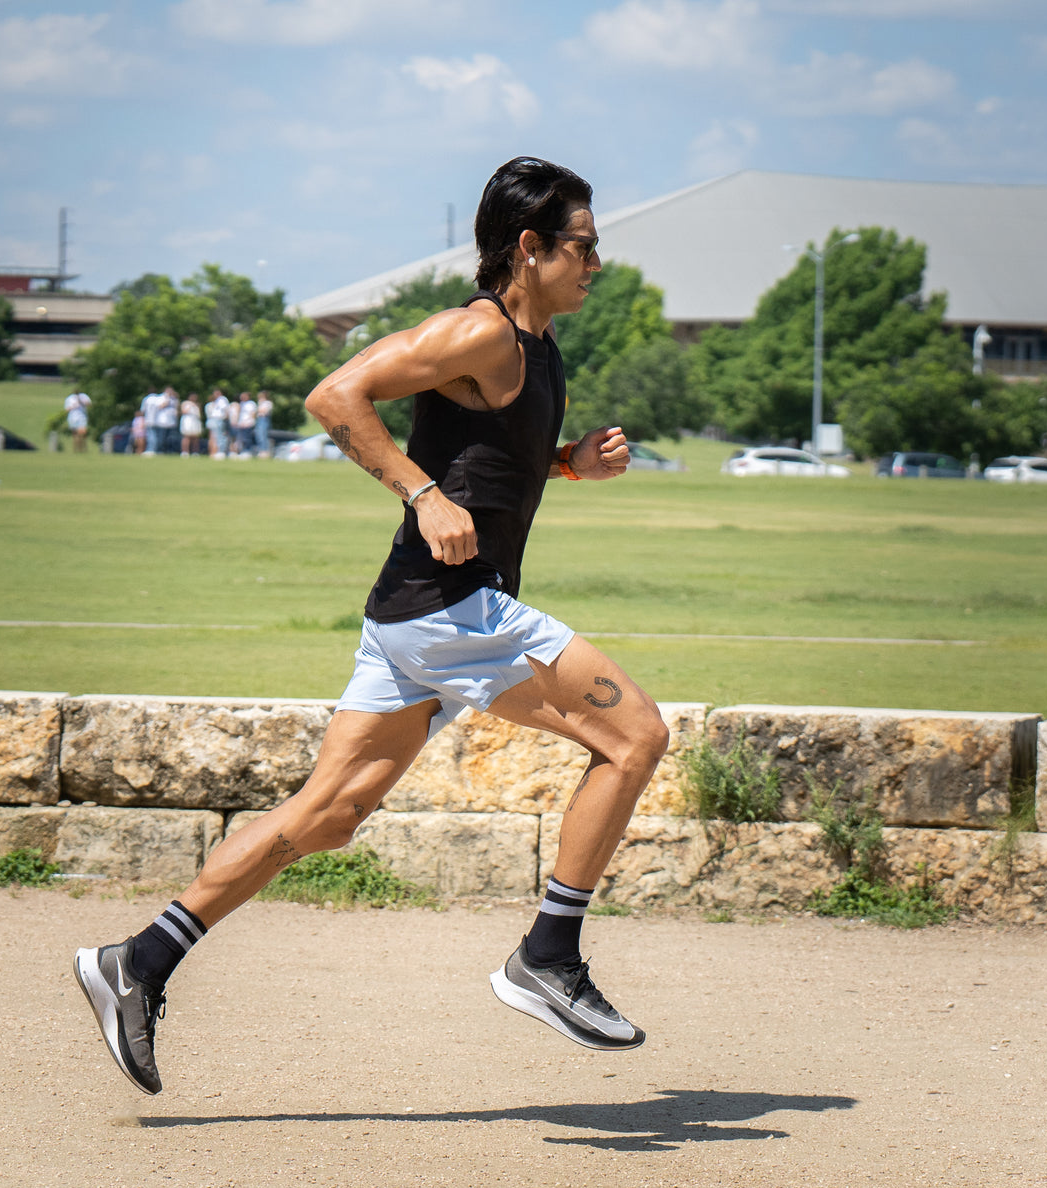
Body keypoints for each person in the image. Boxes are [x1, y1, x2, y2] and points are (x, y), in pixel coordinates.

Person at [74, 156, 669, 1096]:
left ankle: (137, 964)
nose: (598, 262)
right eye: (584, 246)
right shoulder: (475, 331)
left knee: (329, 816)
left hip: (417, 618)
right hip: (450, 608)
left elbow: (486, 465)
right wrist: (419, 492)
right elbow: (334, 396)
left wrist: (564, 465)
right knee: (635, 737)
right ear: (530, 247)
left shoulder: (536, 346)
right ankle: (548, 956)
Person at [205, 388, 230, 459]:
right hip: (215, 419)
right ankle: (215, 452)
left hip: (219, 419)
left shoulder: (222, 399)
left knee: (220, 436)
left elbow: (225, 410)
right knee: (215, 436)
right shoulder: (217, 401)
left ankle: (221, 452)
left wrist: (226, 418)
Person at [64, 388, 92, 452]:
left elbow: (89, 404)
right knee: (75, 436)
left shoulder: (84, 396)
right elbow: (66, 409)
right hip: (72, 418)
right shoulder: (69, 399)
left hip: (82, 417)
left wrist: (81, 401)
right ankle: (76, 450)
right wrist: (73, 406)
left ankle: (83, 449)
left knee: (83, 434)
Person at [255, 390, 273, 458]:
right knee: (259, 435)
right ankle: (261, 450)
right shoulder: (260, 403)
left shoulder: (268, 403)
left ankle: (265, 451)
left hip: (264, 419)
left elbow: (264, 411)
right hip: (259, 419)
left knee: (263, 435)